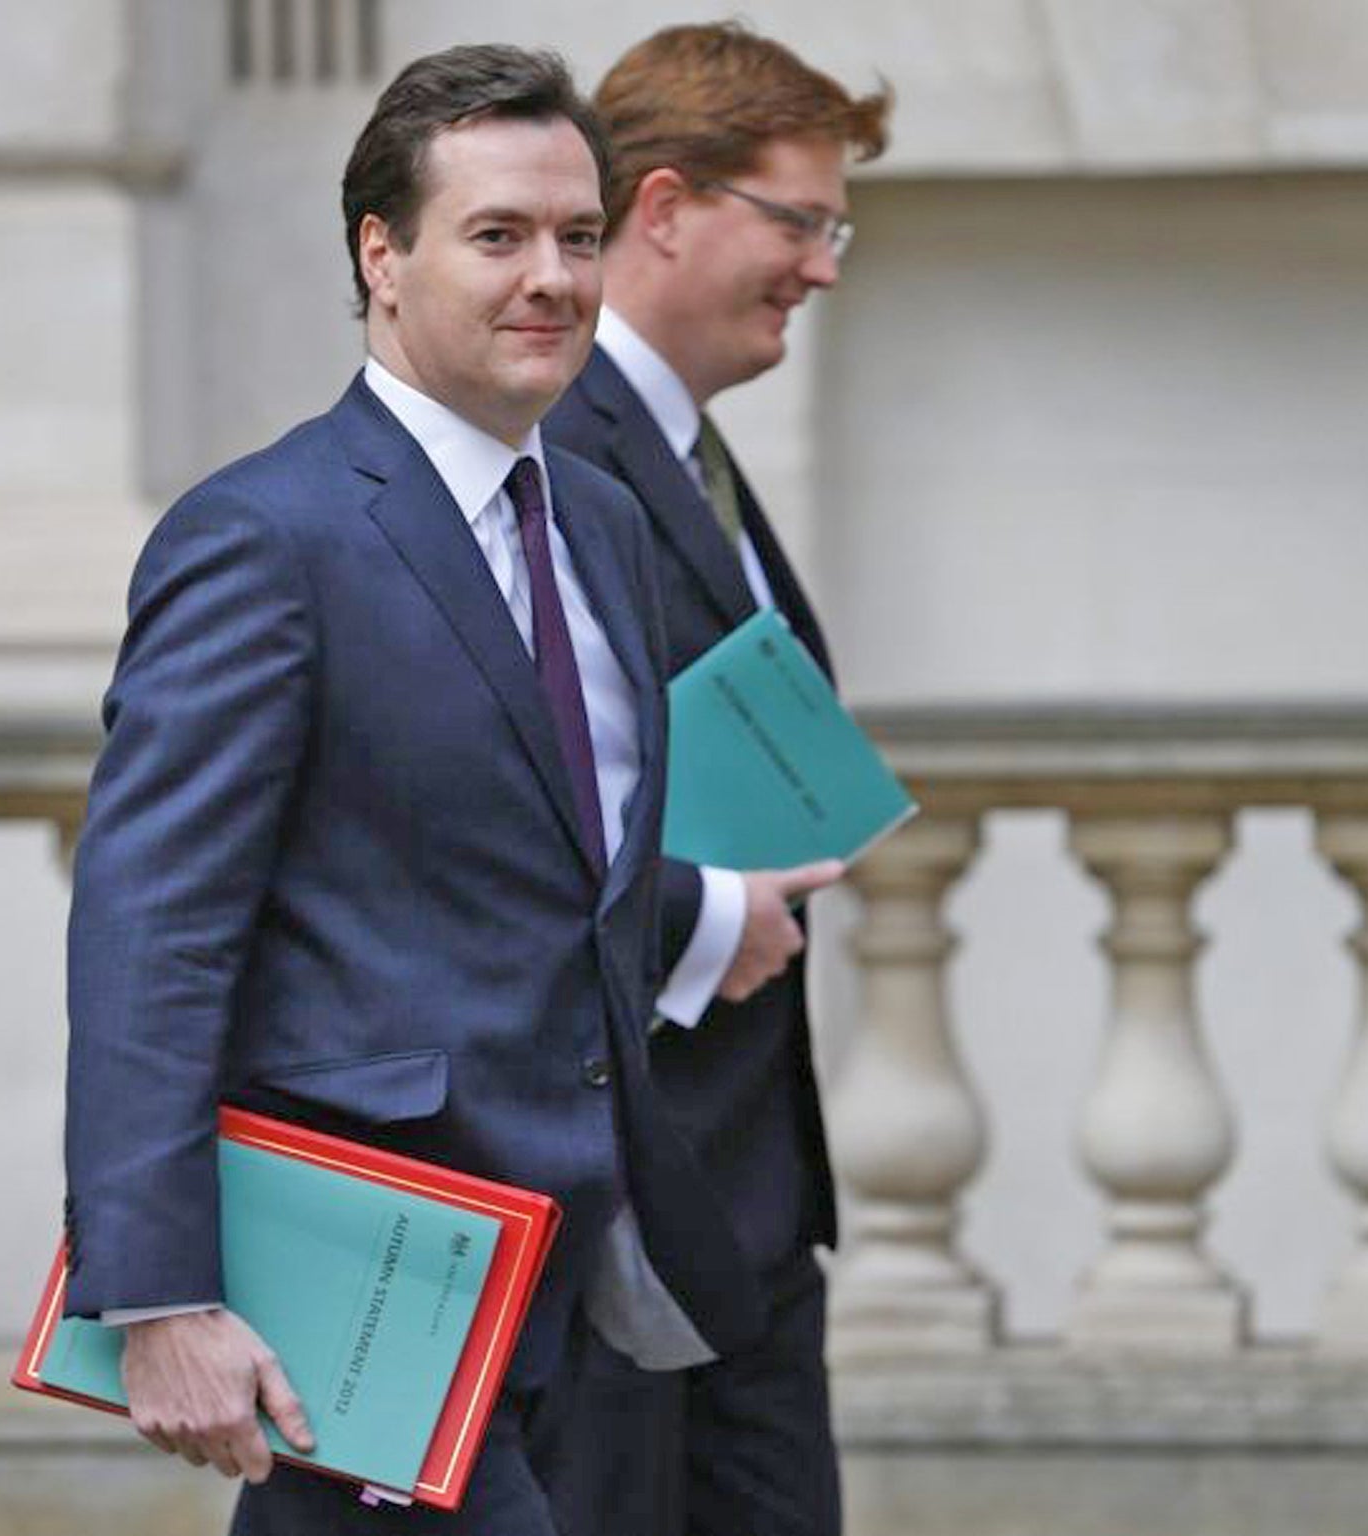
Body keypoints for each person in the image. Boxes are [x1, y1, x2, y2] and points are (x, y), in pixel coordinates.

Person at [60, 42, 759, 1536]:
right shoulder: (267, 537)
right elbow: (152, 932)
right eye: (498, 236)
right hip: (376, 1288)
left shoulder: (612, 527)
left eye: (579, 239)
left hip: (598, 1288)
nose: (553, 280)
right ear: (381, 253)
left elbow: (578, 882)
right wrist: (160, 1288)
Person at [535, 23, 892, 1536]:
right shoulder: (549, 444)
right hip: (611, 1215)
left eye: (835, 229)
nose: (822, 267)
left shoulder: (692, 453)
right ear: (666, 208)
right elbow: (505, 817)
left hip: (739, 1207)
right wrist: (704, 915)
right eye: (801, 223)